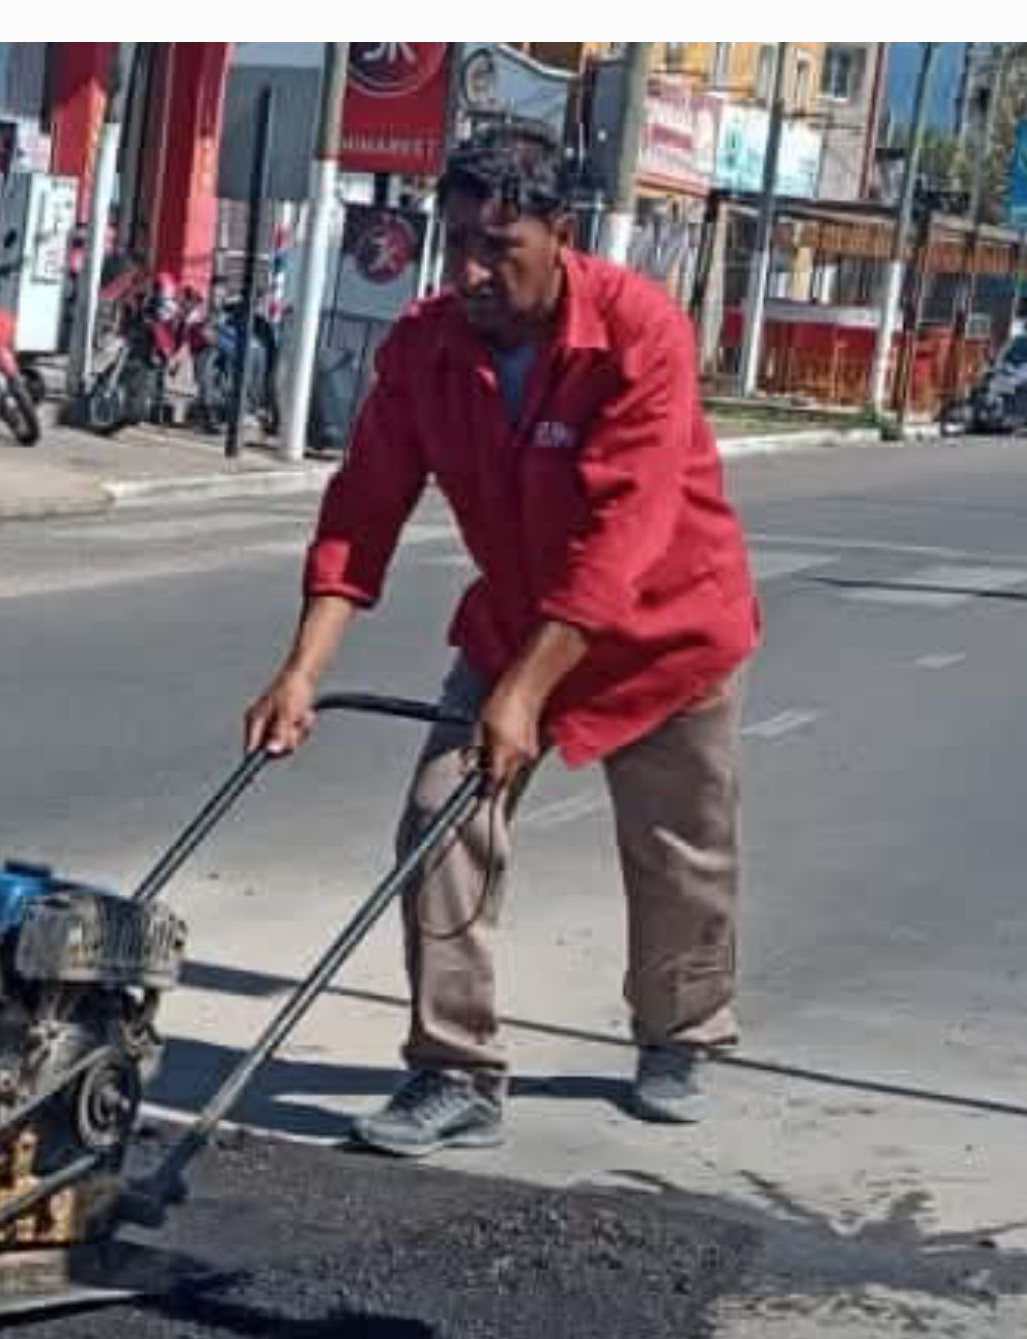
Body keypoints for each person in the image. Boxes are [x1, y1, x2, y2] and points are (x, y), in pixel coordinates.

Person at [243, 125, 762, 1156]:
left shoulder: (639, 333)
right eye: (456, 245)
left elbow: (623, 539)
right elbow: (364, 507)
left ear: (560, 234)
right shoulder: (426, 348)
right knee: (441, 818)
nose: (471, 271)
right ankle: (455, 1067)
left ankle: (681, 1033)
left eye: (497, 245)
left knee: (678, 854)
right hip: (518, 620)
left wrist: (524, 696)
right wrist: (301, 669)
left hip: (666, 633)